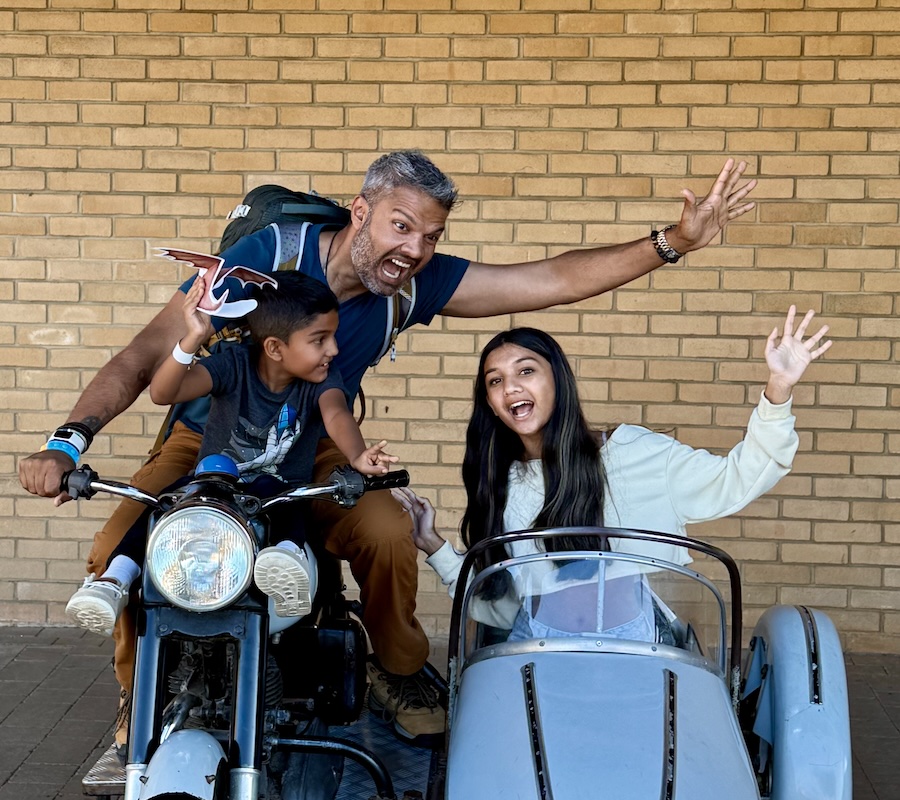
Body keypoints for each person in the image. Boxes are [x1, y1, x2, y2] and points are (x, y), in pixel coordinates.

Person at [19, 149, 757, 746]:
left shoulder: (411, 287)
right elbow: (145, 355)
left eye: (431, 236)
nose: (415, 250)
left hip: (318, 450)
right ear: (362, 210)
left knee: (387, 529)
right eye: (402, 227)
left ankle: (398, 669)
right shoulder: (266, 255)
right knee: (119, 541)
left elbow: (549, 281)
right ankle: (138, 689)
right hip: (208, 441)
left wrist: (672, 244)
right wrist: (66, 441)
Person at [392, 307, 832, 640]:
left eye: (526, 371)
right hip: (536, 645)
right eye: (495, 380)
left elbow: (738, 479)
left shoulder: (634, 452)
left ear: (557, 380)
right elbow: (505, 609)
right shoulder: (504, 481)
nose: (511, 388)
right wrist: (434, 546)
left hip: (636, 642)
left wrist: (779, 388)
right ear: (488, 401)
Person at [66, 271, 395, 635]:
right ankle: (113, 581)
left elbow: (336, 414)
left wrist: (357, 455)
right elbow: (163, 393)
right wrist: (191, 339)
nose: (333, 350)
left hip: (276, 492)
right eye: (320, 340)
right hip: (215, 489)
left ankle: (288, 562)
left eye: (332, 337)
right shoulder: (233, 364)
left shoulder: (322, 380)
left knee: (282, 493)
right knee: (162, 504)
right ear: (274, 347)